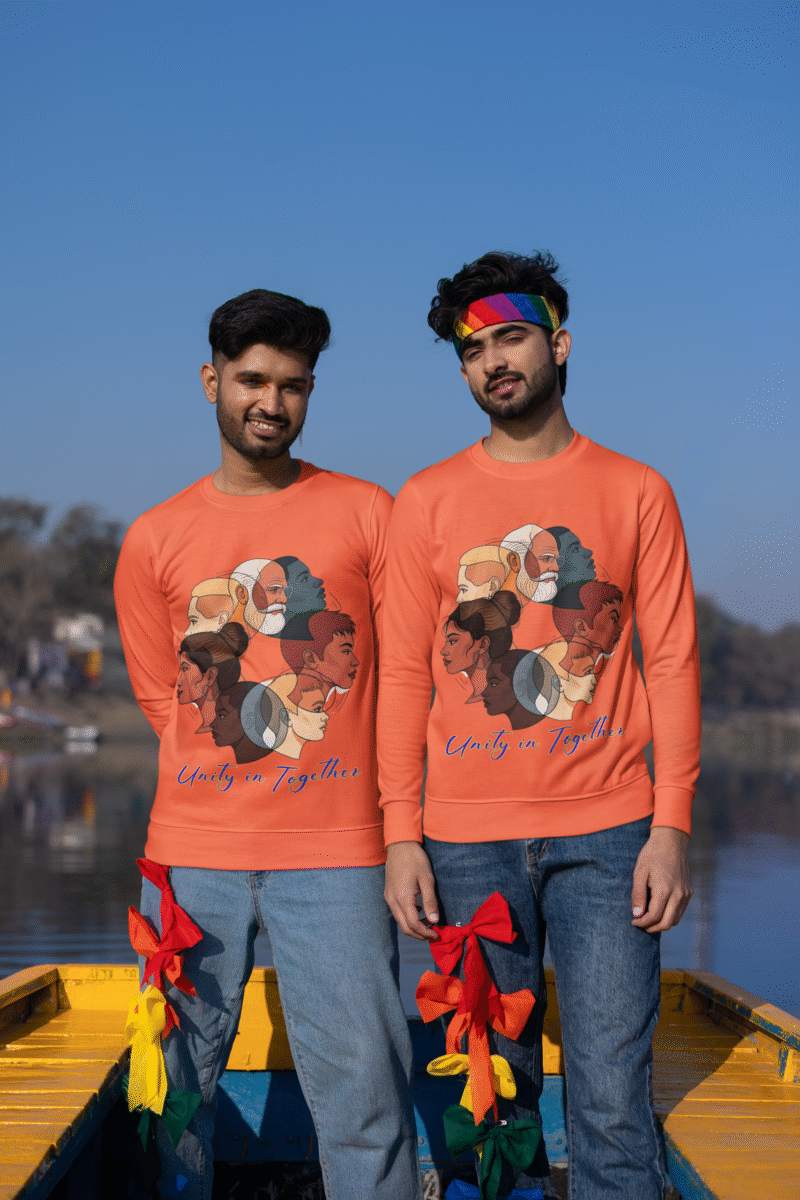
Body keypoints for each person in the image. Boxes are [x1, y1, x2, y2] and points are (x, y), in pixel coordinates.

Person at [378, 252, 700, 1199]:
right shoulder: (427, 501)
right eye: (471, 350)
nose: (491, 363)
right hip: (462, 842)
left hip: (610, 837)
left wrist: (672, 826)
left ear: (557, 342)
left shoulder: (638, 491)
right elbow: (401, 675)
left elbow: (672, 663)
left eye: (509, 337)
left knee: (609, 1097)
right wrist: (403, 837)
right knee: (487, 1090)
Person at [114, 288, 422, 1200]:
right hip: (190, 860)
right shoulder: (156, 538)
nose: (270, 402)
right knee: (171, 1099)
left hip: (340, 858)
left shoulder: (369, 513)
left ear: (310, 392)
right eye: (252, 379)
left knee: (366, 1100)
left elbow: (405, 672)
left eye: (293, 385)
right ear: (211, 381)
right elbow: (157, 693)